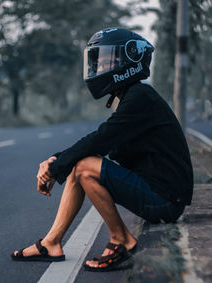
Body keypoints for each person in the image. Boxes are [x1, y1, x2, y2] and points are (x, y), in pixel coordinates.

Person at [11, 28, 193, 272]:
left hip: (165, 201)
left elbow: (101, 139)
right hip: (158, 193)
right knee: (82, 165)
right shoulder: (133, 96)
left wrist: (55, 166)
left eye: (108, 59)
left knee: (85, 167)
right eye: (99, 59)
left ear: (129, 60)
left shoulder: (141, 97)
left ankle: (123, 242)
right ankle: (51, 243)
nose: (101, 64)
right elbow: (103, 142)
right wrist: (57, 160)